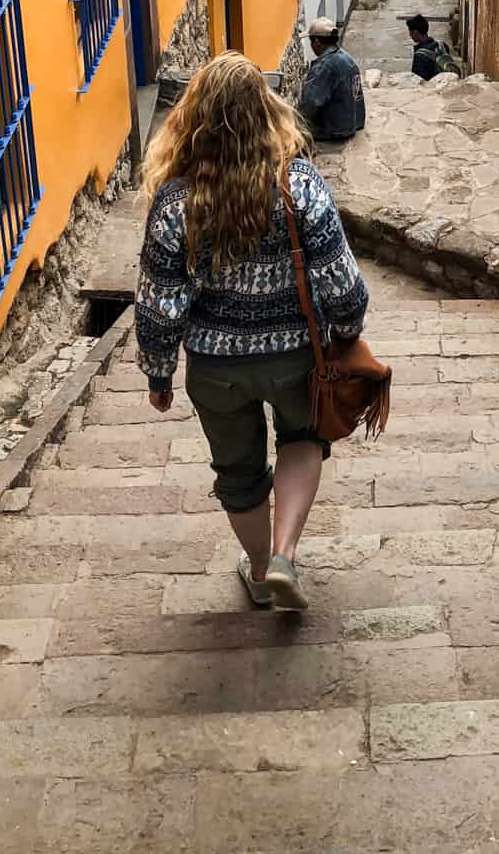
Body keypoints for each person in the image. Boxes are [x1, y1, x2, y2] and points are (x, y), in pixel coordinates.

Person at [137, 53, 369, 611]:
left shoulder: (176, 201)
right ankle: (286, 553)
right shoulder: (299, 184)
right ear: (268, 112)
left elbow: (160, 300)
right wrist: (347, 328)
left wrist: (159, 371)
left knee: (237, 473)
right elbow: (341, 280)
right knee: (302, 440)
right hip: (294, 357)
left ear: (192, 117)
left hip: (216, 370)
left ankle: (262, 573)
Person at [299, 18, 365, 142]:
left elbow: (309, 104)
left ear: (317, 42)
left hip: (336, 129)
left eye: (311, 42)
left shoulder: (325, 67)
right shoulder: (345, 56)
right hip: (354, 120)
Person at [406, 12, 454, 81]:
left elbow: (418, 80)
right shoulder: (442, 45)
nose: (410, 35)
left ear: (416, 32)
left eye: (410, 32)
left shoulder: (419, 56)